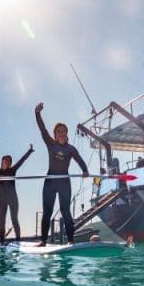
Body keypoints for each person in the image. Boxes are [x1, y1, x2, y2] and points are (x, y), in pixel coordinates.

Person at [35, 102, 89, 246]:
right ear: (55, 134)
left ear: (66, 133)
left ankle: (70, 241)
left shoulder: (71, 149)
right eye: (59, 131)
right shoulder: (51, 144)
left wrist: (85, 170)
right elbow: (42, 129)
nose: (61, 133)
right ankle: (43, 241)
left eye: (64, 131)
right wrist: (37, 113)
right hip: (50, 181)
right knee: (47, 211)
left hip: (64, 181)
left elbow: (80, 161)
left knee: (66, 211)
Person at [0, 144, 34, 244]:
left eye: (9, 161)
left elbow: (22, 161)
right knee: (2, 221)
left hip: (13, 198)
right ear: (2, 161)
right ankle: (2, 242)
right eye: (6, 160)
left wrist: (29, 151)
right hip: (2, 199)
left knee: (14, 219)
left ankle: (18, 241)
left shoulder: (12, 170)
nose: (8, 162)